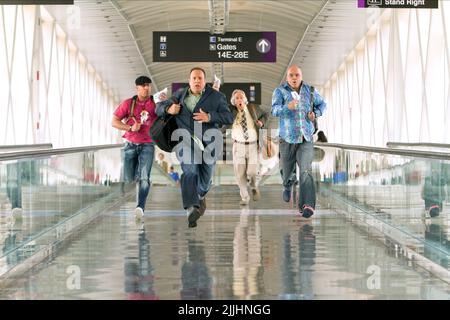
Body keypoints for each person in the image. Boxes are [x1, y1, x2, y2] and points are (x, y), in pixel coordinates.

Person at [156, 67, 233, 228]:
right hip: (184, 141)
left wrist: (210, 116)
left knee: (205, 181)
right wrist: (168, 108)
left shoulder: (217, 97)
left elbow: (228, 117)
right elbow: (158, 108)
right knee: (189, 169)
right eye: (194, 78)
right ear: (189, 80)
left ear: (205, 81)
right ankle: (191, 207)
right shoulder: (180, 95)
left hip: (207, 143)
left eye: (200, 78)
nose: (197, 81)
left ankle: (201, 194)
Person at [272, 65, 327, 218]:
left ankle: (307, 204)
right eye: (291, 75)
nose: (294, 78)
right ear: (287, 77)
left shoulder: (310, 91)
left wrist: (315, 114)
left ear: (301, 76)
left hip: (306, 138)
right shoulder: (280, 91)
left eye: (297, 75)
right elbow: (274, 110)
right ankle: (287, 184)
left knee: (305, 170)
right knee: (286, 169)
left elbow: (323, 104)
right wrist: (286, 107)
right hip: (286, 138)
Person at [111, 75, 158, 219]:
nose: (147, 88)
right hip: (130, 144)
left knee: (144, 178)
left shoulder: (155, 103)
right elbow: (114, 121)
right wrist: (130, 128)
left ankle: (140, 207)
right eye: (143, 85)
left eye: (148, 85)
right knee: (128, 178)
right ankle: (126, 201)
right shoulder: (128, 104)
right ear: (137, 88)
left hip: (148, 145)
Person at [228, 89, 268, 206]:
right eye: (237, 98)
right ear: (234, 102)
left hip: (253, 145)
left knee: (252, 171)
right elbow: (222, 122)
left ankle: (254, 186)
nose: (239, 100)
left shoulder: (253, 108)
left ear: (245, 99)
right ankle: (245, 198)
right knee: (240, 175)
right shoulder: (231, 112)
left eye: (241, 97)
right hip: (238, 146)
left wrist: (261, 122)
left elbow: (266, 114)